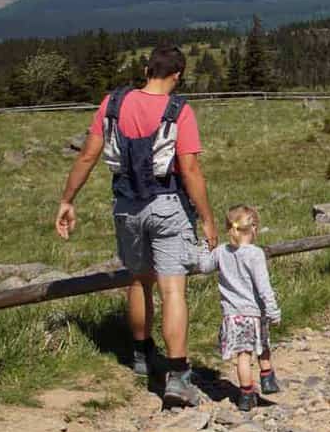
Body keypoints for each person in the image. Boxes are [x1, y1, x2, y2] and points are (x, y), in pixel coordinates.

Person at [55, 46, 217, 410]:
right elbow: (189, 170)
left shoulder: (113, 103)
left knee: (138, 279)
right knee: (173, 289)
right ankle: (177, 375)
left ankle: (142, 356)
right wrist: (206, 217)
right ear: (177, 75)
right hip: (168, 205)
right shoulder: (180, 111)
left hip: (126, 206)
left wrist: (67, 200)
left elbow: (88, 155)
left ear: (147, 70)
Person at [197, 206, 281, 410]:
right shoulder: (255, 254)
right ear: (253, 228)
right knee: (262, 344)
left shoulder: (221, 252)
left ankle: (245, 395)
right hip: (254, 313)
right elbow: (263, 286)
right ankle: (267, 377)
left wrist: (202, 248)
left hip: (232, 316)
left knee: (243, 355)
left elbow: (204, 267)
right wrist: (273, 310)